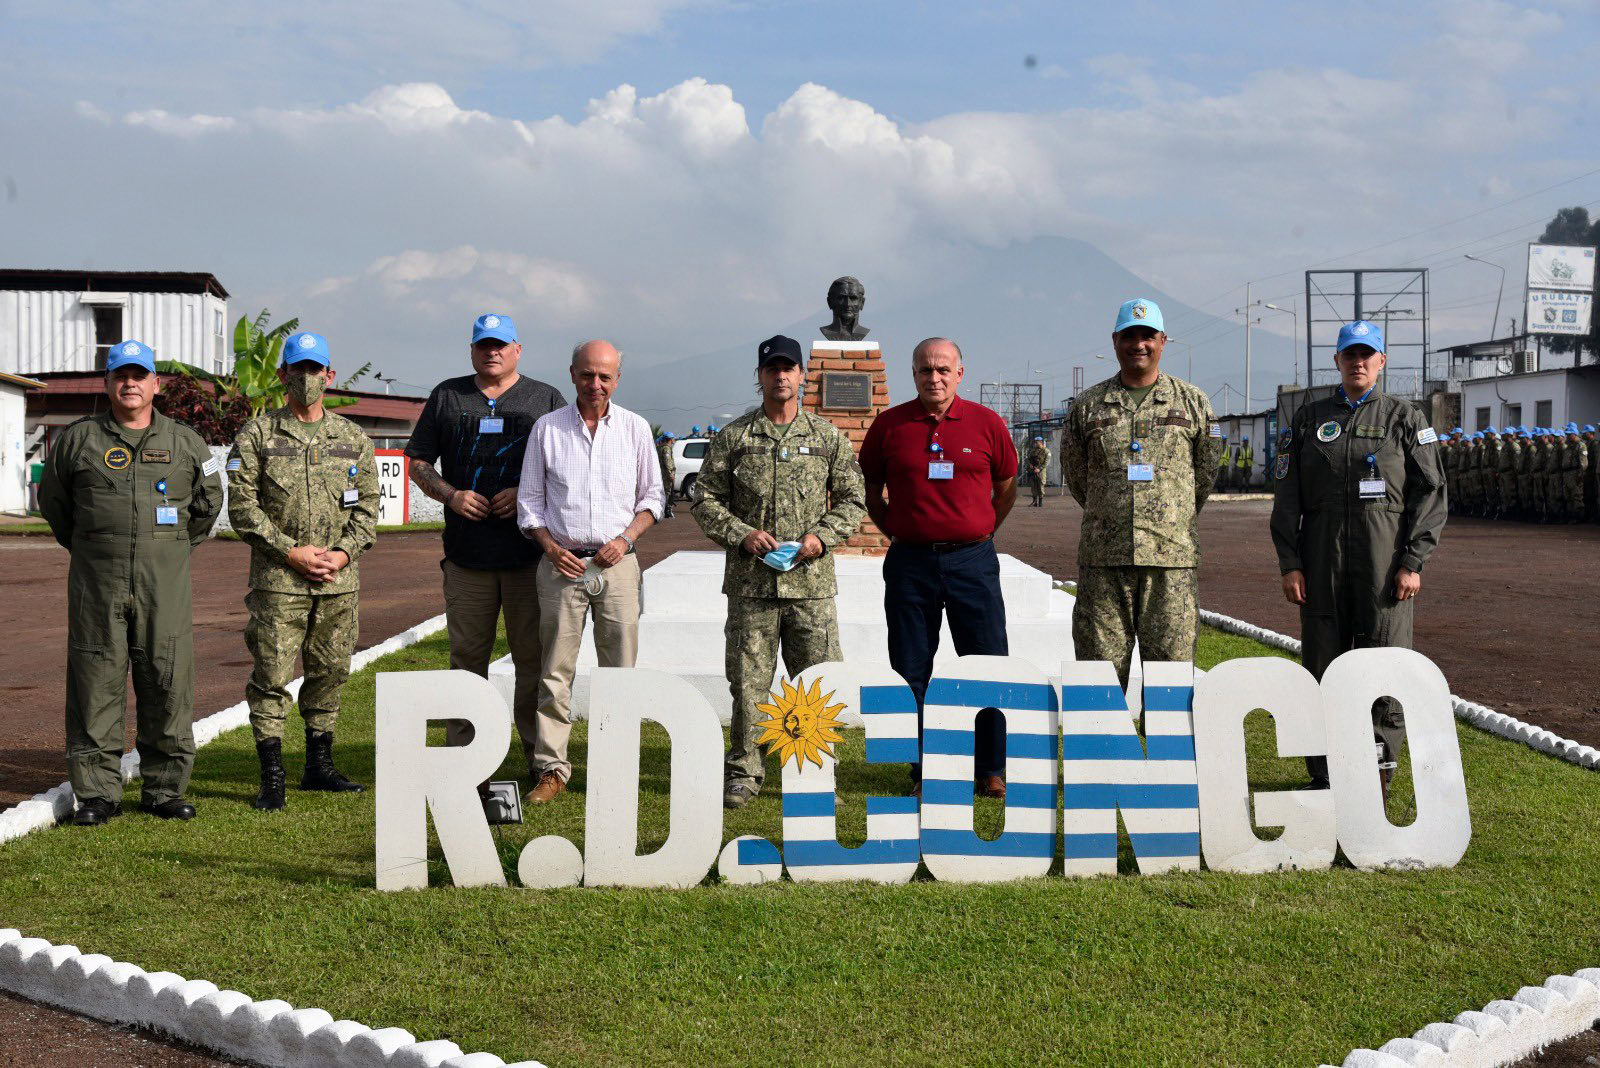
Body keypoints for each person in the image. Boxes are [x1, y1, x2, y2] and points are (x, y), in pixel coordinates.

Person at [39, 341, 222, 824]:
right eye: (121, 375)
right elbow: (55, 505)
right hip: (97, 583)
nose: (130, 383)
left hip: (164, 583)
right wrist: (96, 546)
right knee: (95, 680)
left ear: (155, 384)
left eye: (139, 375)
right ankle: (98, 793)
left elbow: (208, 504)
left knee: (168, 677)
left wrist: (170, 550)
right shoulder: (78, 440)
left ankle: (164, 789)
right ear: (107, 383)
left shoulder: (187, 442)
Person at [1269, 320, 1446, 793]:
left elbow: (1431, 493)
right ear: (1337, 361)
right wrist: (1290, 563)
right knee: (1321, 672)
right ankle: (1325, 778)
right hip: (1321, 566)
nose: (1358, 362)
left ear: (1382, 361)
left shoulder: (1406, 419)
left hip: (1384, 569)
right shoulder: (1308, 420)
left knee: (1384, 669)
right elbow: (1287, 496)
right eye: (1350, 354)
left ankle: (1378, 779)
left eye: (1367, 354)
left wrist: (1413, 561)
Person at [691, 335, 867, 808]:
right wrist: (741, 534)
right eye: (772, 369)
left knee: (816, 682)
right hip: (752, 585)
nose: (781, 376)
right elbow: (704, 498)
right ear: (760, 376)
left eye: (789, 368)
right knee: (749, 682)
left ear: (802, 375)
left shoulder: (826, 437)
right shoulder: (736, 437)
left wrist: (821, 537)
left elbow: (854, 499)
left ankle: (814, 773)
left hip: (811, 588)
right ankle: (744, 772)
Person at [403, 313, 565, 807]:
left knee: (533, 663)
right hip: (467, 557)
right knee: (466, 663)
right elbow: (419, 461)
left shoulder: (545, 398)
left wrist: (527, 492)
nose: (491, 352)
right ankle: (464, 759)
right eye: (483, 345)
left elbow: (566, 464)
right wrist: (451, 496)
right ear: (472, 350)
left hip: (527, 556)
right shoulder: (448, 396)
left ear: (518, 349)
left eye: (500, 344)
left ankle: (540, 760)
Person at [860, 337, 1018, 798]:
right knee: (910, 667)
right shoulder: (889, 425)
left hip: (973, 561)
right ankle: (924, 768)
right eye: (926, 369)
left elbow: (1006, 487)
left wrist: (981, 529)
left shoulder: (987, 423)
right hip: (910, 563)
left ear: (959, 373)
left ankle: (990, 768)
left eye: (944, 369)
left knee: (987, 663)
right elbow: (872, 494)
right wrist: (900, 531)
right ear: (913, 374)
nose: (935, 378)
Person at [228, 331, 377, 810]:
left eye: (315, 369)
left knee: (330, 671)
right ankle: (272, 776)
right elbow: (243, 509)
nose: (307, 378)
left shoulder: (353, 438)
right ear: (282, 375)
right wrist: (291, 552)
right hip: (279, 582)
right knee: (271, 674)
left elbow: (367, 510)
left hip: (338, 582)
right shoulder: (257, 435)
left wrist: (343, 553)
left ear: (329, 375)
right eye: (299, 369)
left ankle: (319, 765)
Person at [517, 340, 664, 804]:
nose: (595, 384)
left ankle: (616, 764)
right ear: (572, 374)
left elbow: (653, 498)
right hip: (560, 565)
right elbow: (529, 503)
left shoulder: (635, 429)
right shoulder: (547, 429)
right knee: (554, 671)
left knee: (620, 671)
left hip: (617, 564)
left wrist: (626, 541)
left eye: (604, 376)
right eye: (586, 374)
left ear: (617, 378)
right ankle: (551, 769)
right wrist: (549, 547)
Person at [1062, 298, 1224, 693]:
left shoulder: (1193, 401)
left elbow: (1205, 471)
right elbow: (1077, 475)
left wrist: (1172, 513)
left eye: (1147, 336)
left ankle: (1164, 739)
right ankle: (1103, 736)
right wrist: (1111, 510)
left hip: (1170, 562)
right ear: (1115, 340)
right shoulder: (1087, 406)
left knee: (1170, 677)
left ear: (1163, 340)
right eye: (1129, 336)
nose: (1139, 344)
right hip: (1104, 561)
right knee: (1098, 676)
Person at [656, 432, 677, 519]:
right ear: (670, 439)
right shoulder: (666, 449)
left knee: (666, 491)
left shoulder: (664, 448)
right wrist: (670, 473)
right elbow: (667, 462)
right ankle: (666, 510)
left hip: (664, 473)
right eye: (673, 438)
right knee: (667, 491)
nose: (674, 440)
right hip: (666, 474)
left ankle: (665, 510)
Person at [1026, 435, 1050, 506]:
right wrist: (1030, 465)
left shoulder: (1046, 451)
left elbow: (1046, 462)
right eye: (1035, 442)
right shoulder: (1033, 451)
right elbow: (1028, 459)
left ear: (1040, 442)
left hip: (1041, 471)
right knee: (1033, 486)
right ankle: (1034, 502)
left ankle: (1040, 501)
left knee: (1040, 485)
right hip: (1033, 470)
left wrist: (1039, 469)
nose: (1035, 443)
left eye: (1037, 442)